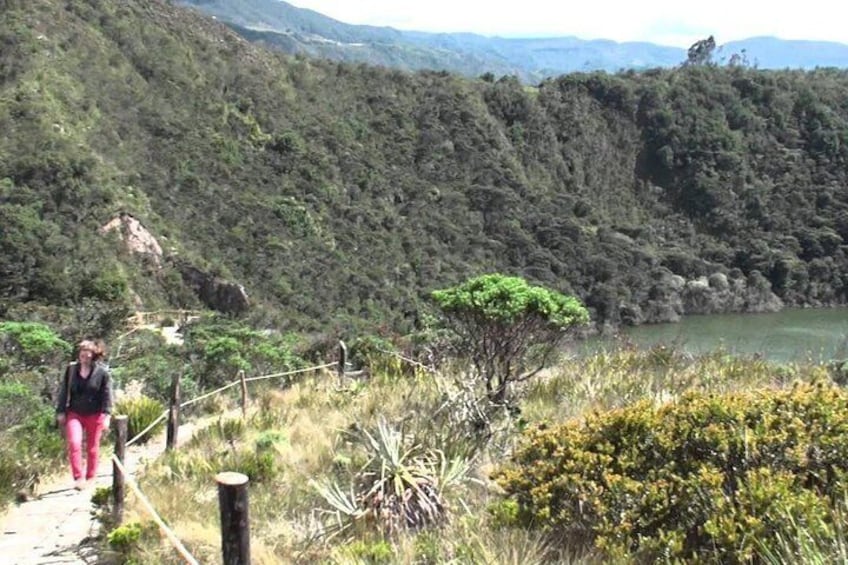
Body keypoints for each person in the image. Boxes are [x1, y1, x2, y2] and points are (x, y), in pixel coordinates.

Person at [55, 339, 113, 490]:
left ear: (93, 355)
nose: (84, 356)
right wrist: (60, 411)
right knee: (75, 443)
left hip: (95, 414)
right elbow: (63, 391)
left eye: (88, 353)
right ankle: (78, 478)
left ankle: (91, 477)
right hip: (75, 413)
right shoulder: (71, 370)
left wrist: (107, 415)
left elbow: (107, 395)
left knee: (92, 447)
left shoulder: (102, 372)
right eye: (82, 352)